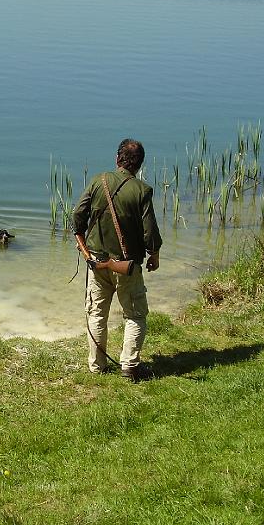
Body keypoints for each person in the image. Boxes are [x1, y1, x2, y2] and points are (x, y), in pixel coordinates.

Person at [72, 138, 162, 380]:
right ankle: (130, 366)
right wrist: (154, 254)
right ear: (140, 165)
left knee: (96, 314)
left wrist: (84, 249)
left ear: (117, 159)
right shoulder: (142, 190)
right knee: (135, 315)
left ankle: (97, 366)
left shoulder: (98, 181)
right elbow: (149, 233)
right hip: (126, 267)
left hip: (96, 263)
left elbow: (77, 215)